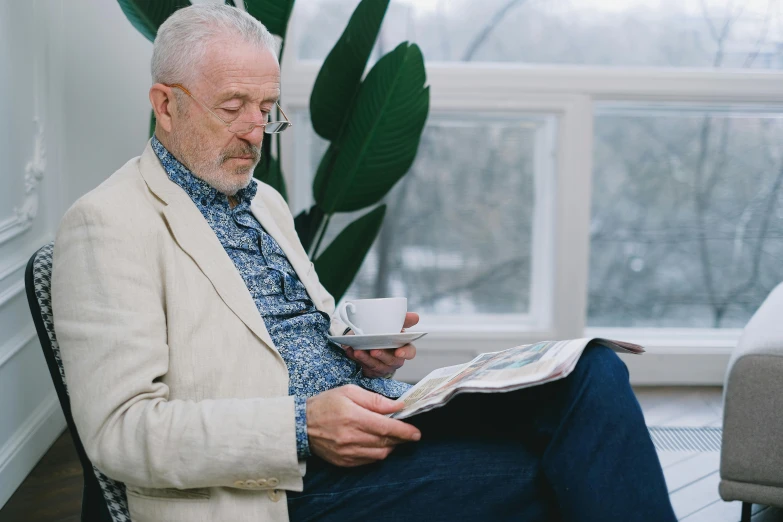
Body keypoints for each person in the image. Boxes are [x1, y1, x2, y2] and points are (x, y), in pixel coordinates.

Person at [51, 4, 677, 522]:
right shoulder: (108, 224)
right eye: (232, 106)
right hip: (284, 483)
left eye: (266, 109)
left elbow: (301, 327)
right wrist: (300, 427)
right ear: (166, 104)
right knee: (561, 474)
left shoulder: (262, 200)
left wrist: (359, 349)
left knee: (591, 373)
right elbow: (121, 433)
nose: (254, 130)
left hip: (374, 407)